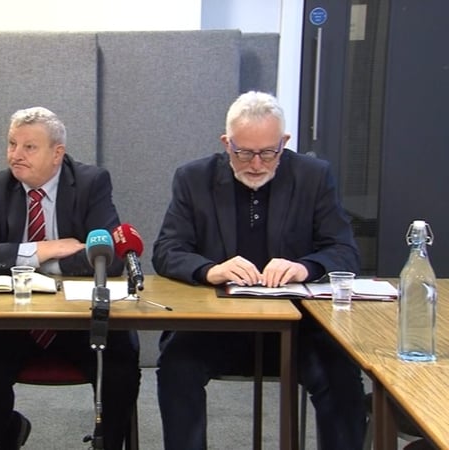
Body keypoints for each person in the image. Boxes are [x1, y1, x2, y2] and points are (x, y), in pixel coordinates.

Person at [152, 91, 366, 449]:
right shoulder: (193, 178)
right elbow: (167, 250)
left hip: (299, 328)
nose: (255, 164)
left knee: (341, 374)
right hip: (216, 326)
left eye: (268, 153)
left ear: (284, 142)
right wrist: (210, 270)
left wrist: (304, 267)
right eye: (243, 153)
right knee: (176, 367)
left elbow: (345, 251)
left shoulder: (314, 177)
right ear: (226, 143)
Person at [0, 106, 140, 449]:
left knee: (120, 373)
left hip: (81, 321)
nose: (15, 155)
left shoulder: (91, 183)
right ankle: (9, 431)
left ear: (57, 154)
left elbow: (111, 257)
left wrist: (33, 263)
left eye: (29, 147)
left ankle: (108, 443)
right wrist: (43, 250)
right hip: (14, 321)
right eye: (12, 144)